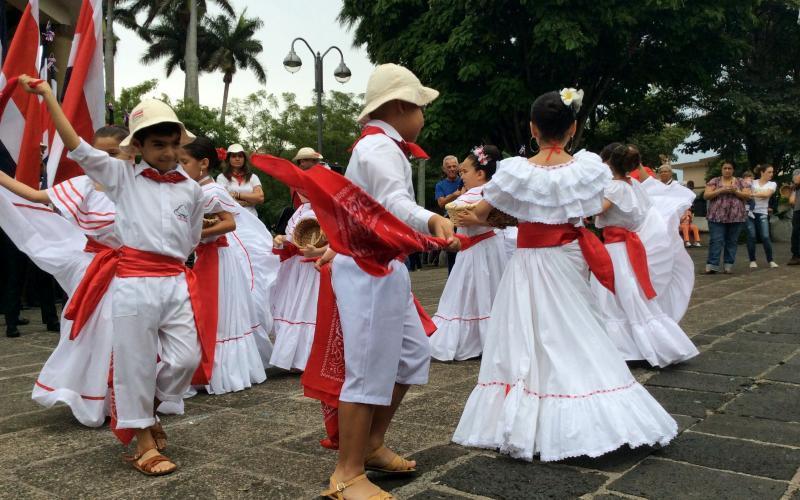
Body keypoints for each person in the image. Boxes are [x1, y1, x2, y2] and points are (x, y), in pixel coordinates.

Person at [452, 89, 676, 462]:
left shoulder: (516, 171)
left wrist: (473, 214)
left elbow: (480, 213)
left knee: (527, 332)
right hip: (569, 255)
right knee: (577, 326)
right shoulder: (588, 168)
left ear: (532, 129)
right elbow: (589, 211)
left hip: (528, 259)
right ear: (572, 128)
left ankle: (530, 411)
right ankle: (598, 407)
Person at [22, 74, 205, 476]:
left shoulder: (191, 189)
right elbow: (78, 147)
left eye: (174, 145)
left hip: (174, 280)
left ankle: (147, 411)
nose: (169, 153)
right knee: (135, 361)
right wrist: (50, 95)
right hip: (133, 282)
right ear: (137, 147)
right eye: (158, 145)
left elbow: (192, 236)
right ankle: (142, 442)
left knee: (186, 359)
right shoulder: (121, 178)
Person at [314, 63, 455, 499]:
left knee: (410, 355)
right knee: (369, 370)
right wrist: (431, 217)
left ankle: (370, 445)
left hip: (380, 266)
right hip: (369, 269)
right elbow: (394, 202)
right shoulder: (378, 150)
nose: (423, 116)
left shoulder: (382, 147)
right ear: (399, 107)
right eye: (419, 107)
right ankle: (347, 473)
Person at [0, 125, 128, 424]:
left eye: (112, 153)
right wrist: (2, 177)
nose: (104, 159)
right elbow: (34, 196)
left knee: (135, 333)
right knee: (99, 330)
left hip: (137, 269)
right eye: (98, 153)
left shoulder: (138, 184)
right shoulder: (83, 185)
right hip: (96, 269)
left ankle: (136, 395)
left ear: (131, 153)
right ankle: (97, 397)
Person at [591, 144, 698, 367]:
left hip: (615, 249)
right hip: (627, 246)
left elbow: (597, 210)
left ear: (609, 163)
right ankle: (642, 342)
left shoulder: (614, 188)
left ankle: (624, 346)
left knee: (613, 294)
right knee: (630, 293)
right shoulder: (635, 187)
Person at [179, 138, 269, 394]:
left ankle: (223, 371)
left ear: (204, 164)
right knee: (209, 313)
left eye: (184, 162)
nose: (180, 167)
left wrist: (194, 233)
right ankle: (211, 368)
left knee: (217, 313)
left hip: (219, 258)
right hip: (207, 257)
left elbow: (230, 223)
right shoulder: (196, 190)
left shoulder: (213, 191)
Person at [430, 145, 508, 362]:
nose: (460, 176)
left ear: (480, 174)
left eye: (464, 171)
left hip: (476, 251)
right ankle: (488, 336)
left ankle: (475, 336)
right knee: (488, 289)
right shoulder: (493, 193)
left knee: (472, 290)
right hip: (489, 249)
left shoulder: (476, 194)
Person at [269, 195, 324, 371]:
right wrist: (282, 239)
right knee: (291, 306)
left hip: (315, 266)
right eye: (299, 189)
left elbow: (337, 242)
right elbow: (291, 237)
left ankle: (310, 358)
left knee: (310, 308)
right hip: (295, 266)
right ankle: (294, 357)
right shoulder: (299, 210)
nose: (302, 193)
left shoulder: (326, 210)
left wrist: (318, 251)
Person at [704, 161, 750, 274]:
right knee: (716, 240)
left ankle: (728, 265)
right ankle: (712, 265)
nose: (727, 170)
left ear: (733, 170)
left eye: (730, 168)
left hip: (736, 217)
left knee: (732, 241)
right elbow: (706, 195)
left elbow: (747, 196)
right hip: (716, 216)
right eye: (725, 168)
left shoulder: (740, 181)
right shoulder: (714, 181)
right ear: (722, 169)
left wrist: (736, 191)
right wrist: (721, 190)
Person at [216, 144, 264, 217]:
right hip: (231, 218)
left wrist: (237, 195)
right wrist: (250, 201)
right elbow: (222, 199)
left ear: (244, 159)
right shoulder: (222, 177)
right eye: (234, 156)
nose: (237, 159)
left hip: (251, 218)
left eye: (240, 156)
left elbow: (260, 198)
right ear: (228, 159)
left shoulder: (253, 177)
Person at [745, 164, 778, 268]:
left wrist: (752, 194)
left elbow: (766, 195)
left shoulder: (772, 184)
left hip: (762, 212)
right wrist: (749, 193)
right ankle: (752, 260)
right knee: (752, 236)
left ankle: (770, 260)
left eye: (772, 172)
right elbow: (744, 191)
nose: (771, 174)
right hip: (749, 212)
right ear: (762, 172)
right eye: (769, 172)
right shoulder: (752, 182)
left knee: (765, 236)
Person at [435, 155, 463, 274]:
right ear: (444, 169)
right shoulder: (440, 185)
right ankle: (452, 281)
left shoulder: (464, 180)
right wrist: (455, 195)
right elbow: (441, 203)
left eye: (454, 166)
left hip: (466, 219)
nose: (452, 169)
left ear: (458, 167)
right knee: (452, 253)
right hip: (450, 221)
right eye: (449, 167)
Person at [788, 169, 800, 265]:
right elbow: (796, 180)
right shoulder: (797, 171)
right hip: (798, 208)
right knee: (796, 232)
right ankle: (796, 255)